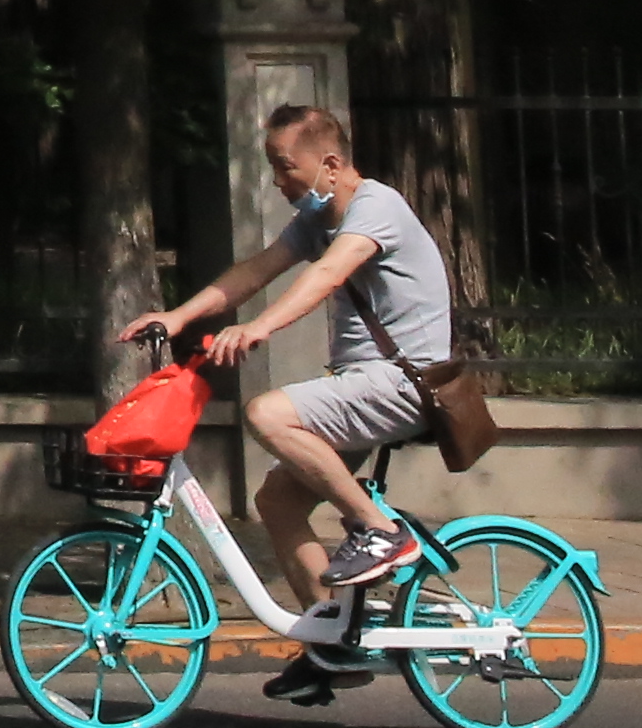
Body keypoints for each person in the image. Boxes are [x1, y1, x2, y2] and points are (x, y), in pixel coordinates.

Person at [150, 102, 452, 693]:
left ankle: (382, 532)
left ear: (330, 164)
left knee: (266, 411)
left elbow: (326, 275)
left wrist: (260, 329)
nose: (278, 181)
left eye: (286, 167)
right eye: (272, 167)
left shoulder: (376, 207)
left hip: (403, 381)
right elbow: (255, 270)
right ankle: (332, 643)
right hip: (362, 387)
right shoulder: (319, 219)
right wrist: (175, 315)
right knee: (277, 502)